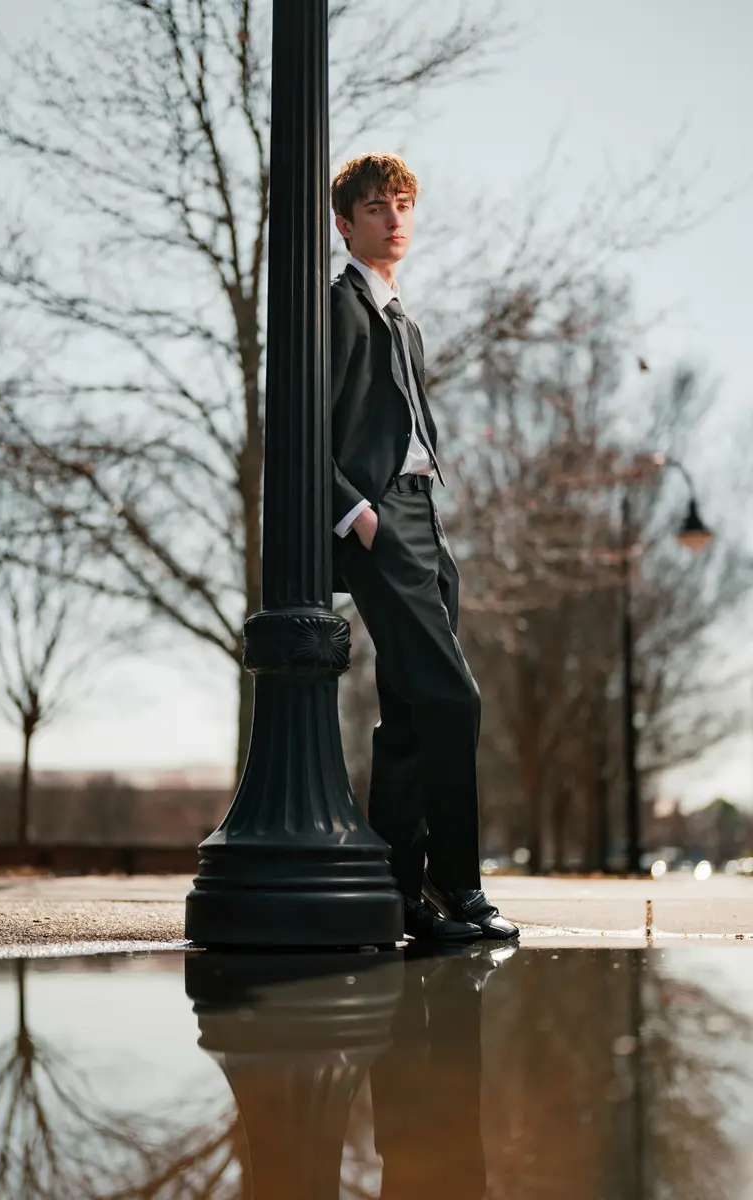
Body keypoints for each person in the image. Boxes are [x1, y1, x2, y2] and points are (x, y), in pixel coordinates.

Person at [330, 153, 518, 944]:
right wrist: (354, 513)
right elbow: (302, 422)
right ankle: (456, 880)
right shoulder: (338, 306)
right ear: (345, 224)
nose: (393, 218)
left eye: (402, 204)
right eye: (375, 208)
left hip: (422, 517)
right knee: (454, 698)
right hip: (380, 519)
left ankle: (401, 901)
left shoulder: (401, 313)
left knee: (409, 715)